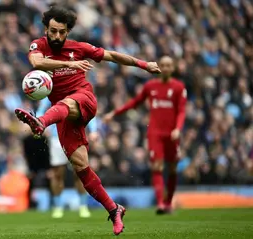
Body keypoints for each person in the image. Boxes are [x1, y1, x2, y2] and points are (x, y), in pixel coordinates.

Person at [14, 6, 160, 235]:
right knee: (81, 167)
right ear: (46, 29)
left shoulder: (79, 48)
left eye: (63, 32)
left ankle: (40, 122)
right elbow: (37, 63)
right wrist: (69, 64)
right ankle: (114, 210)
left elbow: (112, 56)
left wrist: (144, 65)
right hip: (62, 116)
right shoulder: (39, 45)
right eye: (53, 31)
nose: (58, 36)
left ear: (68, 32)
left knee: (67, 103)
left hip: (83, 99)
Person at [103, 56, 186, 215]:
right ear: (159, 67)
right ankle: (161, 204)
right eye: (163, 65)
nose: (166, 68)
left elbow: (181, 111)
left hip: (173, 134)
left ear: (173, 68)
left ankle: (168, 202)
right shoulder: (150, 86)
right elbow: (134, 103)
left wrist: (178, 128)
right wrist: (114, 113)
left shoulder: (178, 87)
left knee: (173, 168)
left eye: (169, 65)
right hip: (155, 132)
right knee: (157, 166)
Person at [37, 97, 97, 219]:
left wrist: (94, 130)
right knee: (58, 174)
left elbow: (88, 111)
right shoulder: (52, 93)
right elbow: (40, 111)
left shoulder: (76, 90)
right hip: (56, 139)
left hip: (75, 135)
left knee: (80, 173)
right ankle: (58, 207)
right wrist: (43, 126)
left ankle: (83, 206)